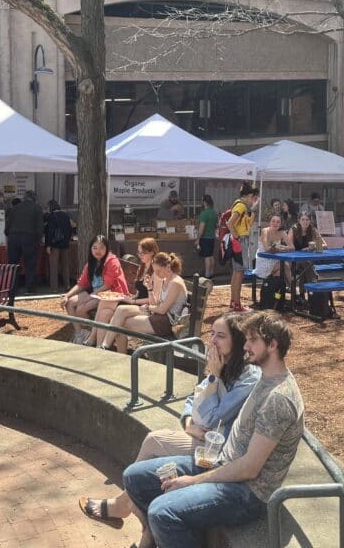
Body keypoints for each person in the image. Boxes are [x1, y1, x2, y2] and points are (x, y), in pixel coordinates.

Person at [122, 312, 305, 548]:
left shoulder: (278, 399)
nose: (245, 346)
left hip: (247, 493)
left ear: (273, 345)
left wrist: (192, 481)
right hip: (221, 463)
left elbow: (249, 468)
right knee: (134, 477)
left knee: (162, 512)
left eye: (252, 340)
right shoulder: (265, 377)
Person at [79, 313, 261, 525]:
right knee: (156, 450)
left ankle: (124, 506)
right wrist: (187, 423)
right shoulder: (222, 363)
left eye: (221, 336)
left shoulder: (247, 378)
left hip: (219, 449)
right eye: (212, 334)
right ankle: (131, 510)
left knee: (155, 442)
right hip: (201, 435)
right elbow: (193, 398)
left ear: (237, 342)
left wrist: (214, 377)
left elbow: (213, 418)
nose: (212, 341)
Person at [101, 251, 188, 353]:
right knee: (121, 310)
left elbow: (162, 310)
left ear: (168, 267)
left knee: (120, 324)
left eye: (158, 271)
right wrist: (149, 289)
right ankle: (105, 345)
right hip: (158, 315)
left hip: (168, 322)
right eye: (155, 271)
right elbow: (155, 304)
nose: (156, 274)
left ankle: (109, 350)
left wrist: (147, 307)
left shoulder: (176, 283)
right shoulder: (165, 279)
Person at [88, 238, 155, 348]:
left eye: (143, 253)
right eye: (139, 252)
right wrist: (130, 297)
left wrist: (133, 300)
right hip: (135, 301)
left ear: (152, 252)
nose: (140, 255)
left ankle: (95, 340)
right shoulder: (142, 267)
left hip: (143, 306)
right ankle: (98, 346)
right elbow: (139, 292)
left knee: (110, 311)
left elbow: (153, 298)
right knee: (104, 311)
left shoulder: (155, 270)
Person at [62, 235, 128, 344]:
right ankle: (80, 333)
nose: (98, 251)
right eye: (95, 248)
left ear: (107, 248)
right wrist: (67, 295)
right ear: (90, 249)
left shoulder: (112, 261)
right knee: (69, 303)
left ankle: (92, 334)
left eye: (101, 248)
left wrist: (90, 297)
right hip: (95, 293)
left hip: (109, 294)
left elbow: (107, 285)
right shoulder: (91, 263)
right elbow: (82, 283)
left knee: (81, 309)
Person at [227, 184, 260, 313]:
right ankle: (237, 304)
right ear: (250, 196)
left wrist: (254, 211)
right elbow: (230, 223)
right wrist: (237, 238)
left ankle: (234, 302)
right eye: (254, 199)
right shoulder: (241, 206)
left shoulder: (241, 206)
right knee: (239, 273)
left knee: (237, 272)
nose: (253, 201)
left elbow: (248, 224)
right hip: (241, 240)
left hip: (240, 239)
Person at [5, 191, 44, 294]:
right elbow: (40, 227)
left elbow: (7, 226)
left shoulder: (14, 208)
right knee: (30, 264)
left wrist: (9, 235)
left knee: (13, 264)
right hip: (29, 237)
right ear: (34, 198)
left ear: (24, 197)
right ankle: (30, 289)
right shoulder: (37, 208)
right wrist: (38, 239)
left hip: (13, 237)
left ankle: (12, 289)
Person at [44, 199, 74, 292]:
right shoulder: (65, 215)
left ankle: (54, 288)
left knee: (54, 266)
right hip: (65, 244)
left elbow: (50, 231)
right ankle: (67, 285)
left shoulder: (51, 216)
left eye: (47, 207)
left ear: (50, 207)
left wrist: (48, 244)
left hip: (55, 244)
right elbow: (70, 228)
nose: (46, 209)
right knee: (65, 266)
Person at [253, 214, 289, 282]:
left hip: (274, 260)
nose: (275, 223)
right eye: (273, 221)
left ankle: (277, 289)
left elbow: (292, 247)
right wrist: (280, 248)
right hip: (263, 260)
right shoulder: (265, 231)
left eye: (278, 222)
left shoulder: (282, 233)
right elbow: (267, 248)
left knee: (280, 271)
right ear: (270, 222)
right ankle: (292, 286)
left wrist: (282, 247)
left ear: (280, 224)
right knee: (284, 265)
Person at [195, 195, 218, 279]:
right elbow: (216, 226)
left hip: (205, 238)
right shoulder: (214, 213)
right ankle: (211, 273)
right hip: (212, 237)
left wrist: (198, 239)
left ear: (204, 202)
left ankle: (207, 275)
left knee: (207, 256)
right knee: (211, 255)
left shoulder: (204, 213)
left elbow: (201, 227)